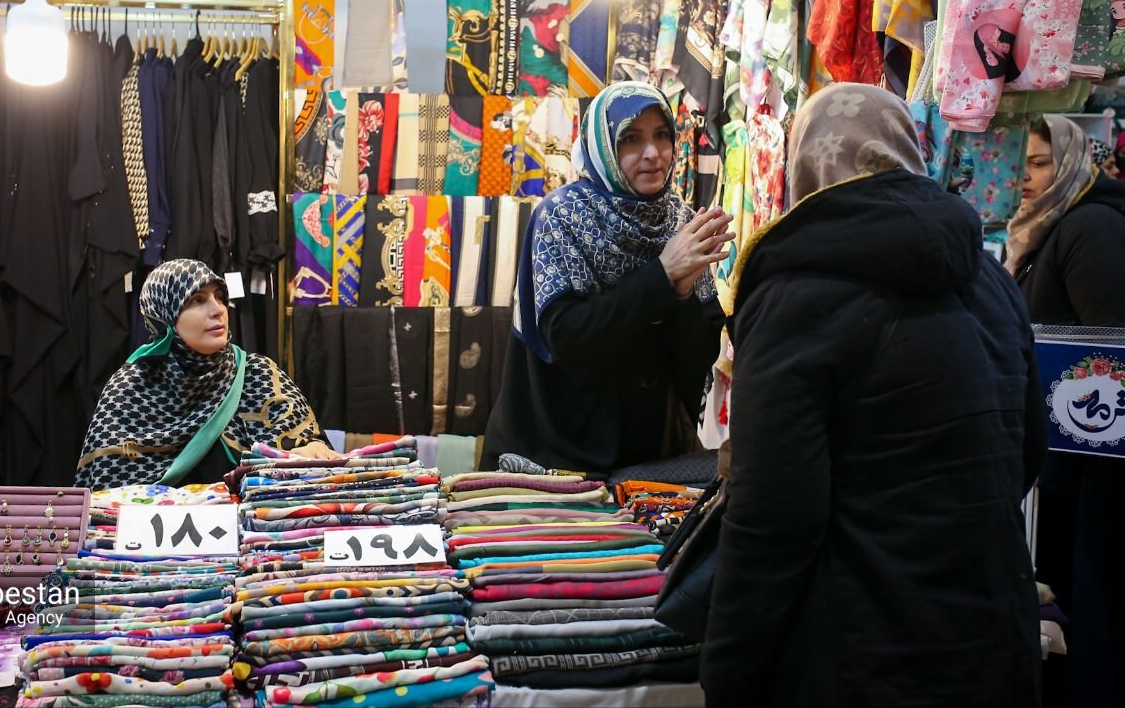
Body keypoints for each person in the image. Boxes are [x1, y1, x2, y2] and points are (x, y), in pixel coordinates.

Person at [700, 84, 1044, 708]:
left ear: (806, 165)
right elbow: (1024, 452)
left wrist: (727, 674)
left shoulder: (797, 296)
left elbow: (774, 517)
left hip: (864, 650)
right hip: (992, 633)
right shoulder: (990, 281)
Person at [481, 81, 731, 475]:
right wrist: (662, 275)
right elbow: (567, 338)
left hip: (649, 459)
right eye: (631, 139)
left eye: (662, 135)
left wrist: (682, 293)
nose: (653, 153)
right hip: (555, 454)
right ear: (603, 147)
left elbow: (696, 359)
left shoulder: (680, 222)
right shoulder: (561, 218)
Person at [1007, 115, 1125, 708]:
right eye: (1023, 163)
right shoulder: (1049, 229)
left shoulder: (1089, 228)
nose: (1026, 177)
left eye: (1040, 162)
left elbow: (1112, 342)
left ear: (1074, 164)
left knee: (1087, 590)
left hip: (1090, 458)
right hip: (1064, 451)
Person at [75, 259, 337, 490]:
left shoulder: (257, 375)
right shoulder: (130, 391)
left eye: (219, 297)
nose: (218, 309)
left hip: (249, 528)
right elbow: (105, 499)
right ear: (164, 315)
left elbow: (310, 455)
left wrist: (309, 451)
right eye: (197, 300)